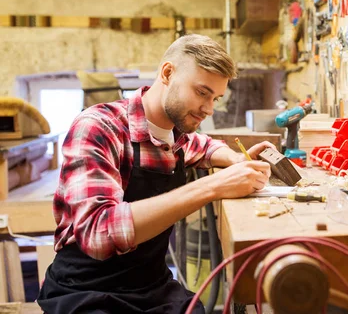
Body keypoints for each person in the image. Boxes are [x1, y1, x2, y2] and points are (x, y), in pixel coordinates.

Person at [37, 34, 274, 313]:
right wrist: (212, 186)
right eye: (201, 93)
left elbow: (205, 146)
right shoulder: (99, 127)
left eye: (216, 98)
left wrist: (236, 160)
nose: (208, 109)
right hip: (86, 290)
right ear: (168, 73)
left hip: (151, 286)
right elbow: (99, 234)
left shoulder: (177, 133)